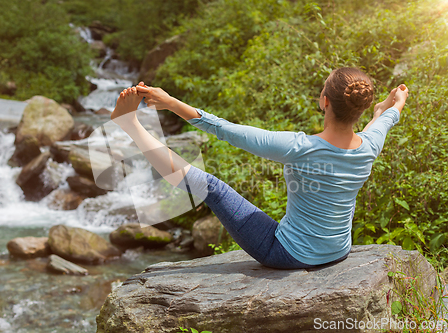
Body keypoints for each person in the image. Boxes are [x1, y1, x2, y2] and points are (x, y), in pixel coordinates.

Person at [110, 67, 409, 269]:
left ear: (324, 101)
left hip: (288, 255)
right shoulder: (370, 144)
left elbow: (224, 129)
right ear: (360, 108)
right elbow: (387, 118)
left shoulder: (299, 147)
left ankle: (130, 125)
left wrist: (171, 102)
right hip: (338, 252)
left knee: (211, 187)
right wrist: (389, 105)